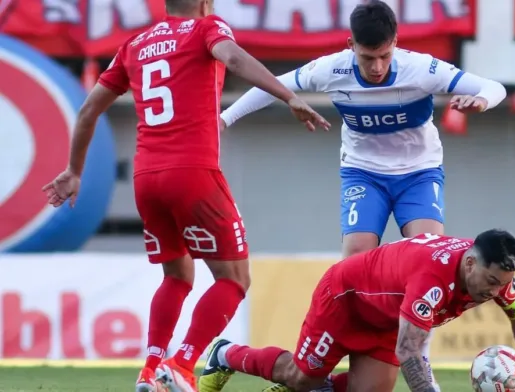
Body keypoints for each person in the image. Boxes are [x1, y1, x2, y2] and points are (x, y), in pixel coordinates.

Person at [209, 2, 506, 388]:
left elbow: (493, 86)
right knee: (356, 264)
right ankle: (339, 351)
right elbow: (275, 85)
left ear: (396, 44)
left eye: (384, 55)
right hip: (363, 176)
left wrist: (482, 100)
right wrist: (224, 119)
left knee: (428, 259)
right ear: (351, 46)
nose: (378, 66)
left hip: (419, 174)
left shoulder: (422, 68)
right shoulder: (330, 69)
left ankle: (419, 360)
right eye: (368, 58)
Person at [40, 0, 330, 391]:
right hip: (193, 174)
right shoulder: (207, 28)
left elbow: (89, 110)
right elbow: (234, 57)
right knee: (235, 278)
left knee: (177, 275)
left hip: (147, 178)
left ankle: (151, 369)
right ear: (205, 1)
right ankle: (182, 364)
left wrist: (74, 170)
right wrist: (287, 95)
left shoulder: (135, 44)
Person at [198, 231, 515, 392]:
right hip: (345, 299)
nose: (495, 292)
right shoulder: (432, 278)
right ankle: (226, 354)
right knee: (300, 376)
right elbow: (410, 351)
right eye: (490, 282)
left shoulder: (497, 277)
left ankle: (317, 390)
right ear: (471, 262)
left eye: (501, 284)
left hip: (388, 317)